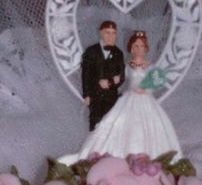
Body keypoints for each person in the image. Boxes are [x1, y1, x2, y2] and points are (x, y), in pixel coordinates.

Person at [75, 31, 181, 161]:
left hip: (146, 101)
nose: (138, 49)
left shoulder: (151, 67)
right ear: (131, 48)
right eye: (135, 46)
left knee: (150, 127)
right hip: (128, 99)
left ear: (146, 48)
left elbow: (157, 82)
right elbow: (119, 79)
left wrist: (146, 89)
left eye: (141, 46)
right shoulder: (126, 66)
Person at [81, 20, 126, 130]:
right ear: (101, 33)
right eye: (107, 32)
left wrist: (111, 82)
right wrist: (86, 95)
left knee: (111, 127)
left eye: (114, 33)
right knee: (95, 126)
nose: (111, 36)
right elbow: (86, 74)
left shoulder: (118, 53)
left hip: (111, 98)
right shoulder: (91, 51)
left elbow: (122, 76)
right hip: (95, 96)